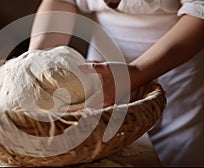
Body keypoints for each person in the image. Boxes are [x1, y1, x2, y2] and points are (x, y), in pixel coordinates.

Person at [28, 0, 204, 166]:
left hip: (177, 82)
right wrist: (37, 59)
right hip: (101, 80)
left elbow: (199, 10)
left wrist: (137, 72)